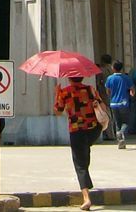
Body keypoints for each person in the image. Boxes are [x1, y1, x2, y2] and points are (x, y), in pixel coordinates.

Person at [53, 75, 103, 211]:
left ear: (69, 79)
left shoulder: (65, 92)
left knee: (80, 165)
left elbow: (58, 111)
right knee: (85, 157)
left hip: (77, 131)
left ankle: (86, 198)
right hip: (94, 129)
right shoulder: (90, 90)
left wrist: (57, 94)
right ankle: (87, 179)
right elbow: (101, 103)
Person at [105, 60, 135, 148]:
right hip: (124, 102)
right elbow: (132, 89)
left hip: (113, 103)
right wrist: (132, 95)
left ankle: (120, 141)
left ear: (113, 68)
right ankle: (122, 132)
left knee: (117, 122)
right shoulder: (126, 77)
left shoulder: (109, 78)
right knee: (126, 121)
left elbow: (108, 91)